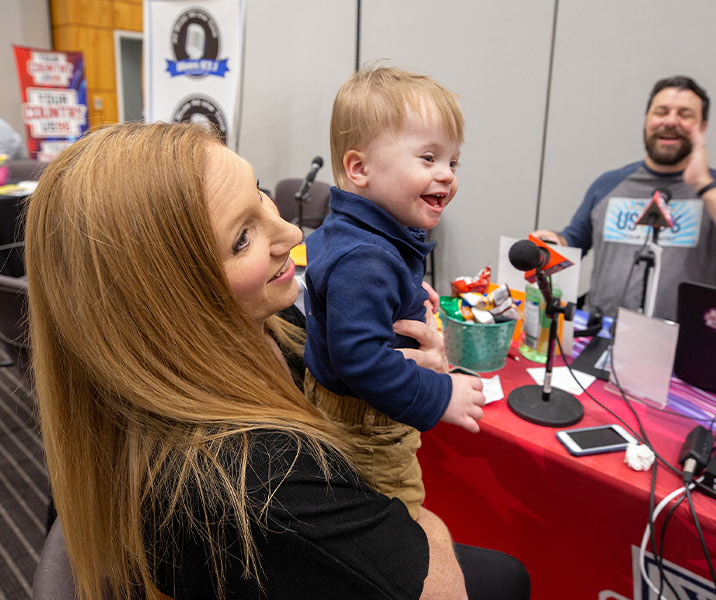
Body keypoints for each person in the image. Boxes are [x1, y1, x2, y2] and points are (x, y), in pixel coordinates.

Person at [26, 122, 529, 599]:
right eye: (242, 237)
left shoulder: (276, 325)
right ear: (168, 301)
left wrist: (415, 367)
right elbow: (440, 587)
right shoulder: (254, 484)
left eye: (260, 192)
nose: (291, 231)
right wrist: (425, 521)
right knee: (509, 575)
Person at [302, 67, 485, 520]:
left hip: (340, 409)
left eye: (452, 162)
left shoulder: (357, 234)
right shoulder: (366, 257)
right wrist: (441, 394)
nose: (446, 175)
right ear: (359, 168)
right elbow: (360, 359)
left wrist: (402, 291)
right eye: (428, 157)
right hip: (366, 431)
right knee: (399, 520)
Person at [534, 75, 716, 321]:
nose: (670, 121)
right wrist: (554, 242)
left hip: (683, 344)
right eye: (661, 112)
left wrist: (703, 184)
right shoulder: (608, 184)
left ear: (703, 127)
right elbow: (574, 241)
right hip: (600, 338)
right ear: (646, 121)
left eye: (685, 114)